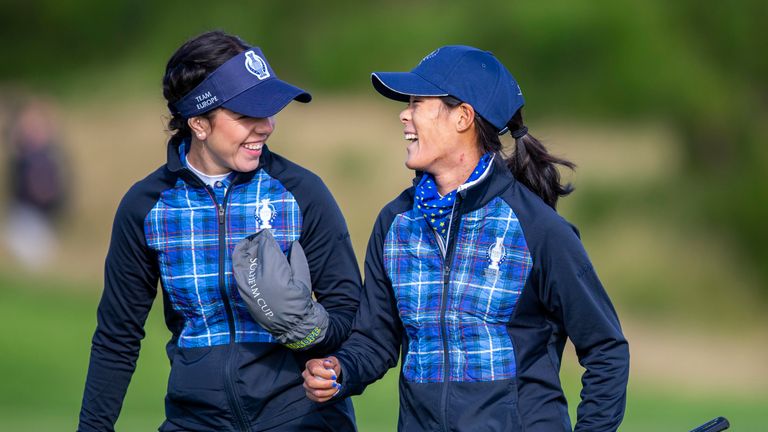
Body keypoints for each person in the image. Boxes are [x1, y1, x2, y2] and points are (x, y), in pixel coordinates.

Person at [303, 45, 630, 431]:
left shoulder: (537, 228)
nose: (404, 115)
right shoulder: (395, 223)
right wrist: (339, 369)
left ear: (462, 117)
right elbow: (375, 339)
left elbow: (606, 349)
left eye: (417, 102)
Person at [78, 31, 361, 432]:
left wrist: (310, 331)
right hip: (194, 420)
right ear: (199, 123)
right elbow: (117, 337)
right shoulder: (147, 206)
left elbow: (350, 309)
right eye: (247, 114)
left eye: (269, 111)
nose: (266, 126)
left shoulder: (300, 192)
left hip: (302, 419)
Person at [3, 99, 69, 270]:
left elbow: (62, 191)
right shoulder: (21, 155)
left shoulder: (53, 156)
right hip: (24, 216)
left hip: (47, 219)